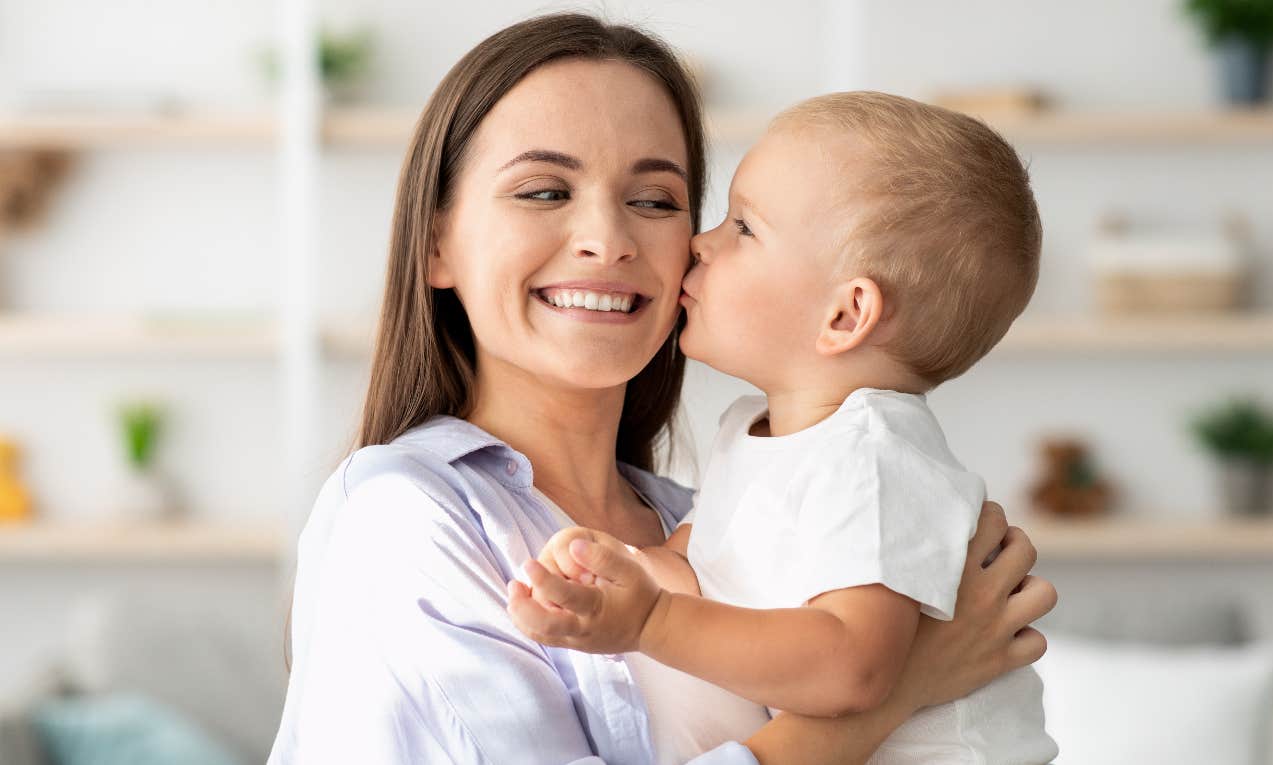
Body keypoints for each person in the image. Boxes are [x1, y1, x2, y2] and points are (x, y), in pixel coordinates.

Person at [268, 13, 1056, 765]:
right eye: (543, 190)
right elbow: (863, 678)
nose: (608, 241)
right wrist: (899, 689)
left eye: (656, 201)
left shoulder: (708, 520)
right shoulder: (405, 520)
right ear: (437, 243)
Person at [509, 92, 1057, 764]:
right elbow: (707, 562)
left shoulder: (875, 460)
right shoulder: (758, 431)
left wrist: (651, 619)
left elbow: (851, 666)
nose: (701, 242)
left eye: (744, 227)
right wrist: (616, 572)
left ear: (845, 315)